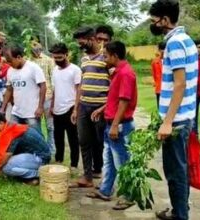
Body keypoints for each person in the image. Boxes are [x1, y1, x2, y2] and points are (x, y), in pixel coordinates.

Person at [149, 1, 198, 219]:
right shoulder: (186, 39)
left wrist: (167, 121)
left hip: (177, 120)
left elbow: (180, 84)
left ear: (165, 20)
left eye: (154, 21)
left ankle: (180, 216)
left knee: (175, 173)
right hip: (184, 116)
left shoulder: (175, 43)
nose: (154, 25)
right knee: (180, 170)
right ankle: (179, 212)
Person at [86, 41, 137, 210]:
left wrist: (115, 125)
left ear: (115, 56)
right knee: (109, 160)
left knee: (123, 163)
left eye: (106, 55)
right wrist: (102, 109)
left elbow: (124, 101)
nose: (103, 58)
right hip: (111, 123)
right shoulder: (117, 72)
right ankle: (105, 190)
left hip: (120, 126)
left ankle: (129, 196)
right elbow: (114, 98)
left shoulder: (125, 74)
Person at [71, 26, 111, 187]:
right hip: (84, 106)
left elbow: (115, 83)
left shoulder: (107, 56)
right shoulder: (84, 58)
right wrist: (76, 107)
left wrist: (106, 106)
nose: (81, 46)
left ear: (93, 39)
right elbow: (81, 84)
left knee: (102, 143)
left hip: (100, 108)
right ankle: (87, 177)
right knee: (84, 141)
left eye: (83, 42)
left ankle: (106, 180)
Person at [0, 112, 51, 189]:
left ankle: (39, 174)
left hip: (41, 158)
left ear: (1, 123)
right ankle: (32, 172)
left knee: (6, 167)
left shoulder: (11, 132)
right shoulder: (9, 127)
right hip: (34, 155)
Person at [0, 45, 47, 132]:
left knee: (34, 139)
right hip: (16, 113)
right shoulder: (10, 71)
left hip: (31, 113)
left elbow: (43, 86)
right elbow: (9, 90)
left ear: (19, 57)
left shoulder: (33, 68)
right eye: (7, 62)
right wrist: (3, 108)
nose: (9, 64)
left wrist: (40, 107)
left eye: (10, 61)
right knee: (13, 137)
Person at [49, 43, 81, 170]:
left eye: (60, 58)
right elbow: (55, 89)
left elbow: (79, 90)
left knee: (73, 138)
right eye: (55, 58)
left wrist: (75, 109)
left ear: (67, 55)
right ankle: (59, 160)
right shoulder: (54, 70)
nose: (57, 60)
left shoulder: (75, 70)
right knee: (58, 137)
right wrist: (52, 106)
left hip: (70, 108)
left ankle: (73, 164)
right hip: (57, 109)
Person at [30, 40, 56, 155]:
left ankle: (51, 149)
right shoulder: (27, 61)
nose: (35, 49)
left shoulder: (48, 61)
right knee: (36, 126)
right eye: (33, 46)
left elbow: (53, 79)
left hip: (48, 97)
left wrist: (54, 99)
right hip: (33, 99)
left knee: (50, 126)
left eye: (37, 47)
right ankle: (40, 149)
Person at [151, 42, 166, 108]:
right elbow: (154, 74)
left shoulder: (170, 60)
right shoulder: (155, 62)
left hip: (169, 89)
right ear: (159, 50)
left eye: (164, 49)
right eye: (161, 49)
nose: (163, 51)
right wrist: (156, 83)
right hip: (159, 88)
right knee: (160, 109)